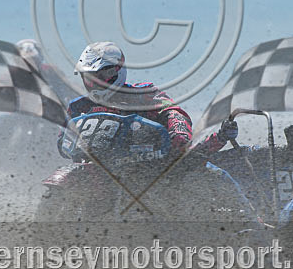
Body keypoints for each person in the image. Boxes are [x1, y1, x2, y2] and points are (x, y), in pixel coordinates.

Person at [43, 41, 238, 190]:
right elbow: (65, 143)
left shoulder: (143, 94)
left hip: (147, 168)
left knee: (213, 175)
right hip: (97, 171)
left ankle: (250, 228)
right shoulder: (79, 107)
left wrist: (178, 130)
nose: (94, 84)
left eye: (100, 78)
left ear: (117, 71)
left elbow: (172, 112)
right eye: (89, 79)